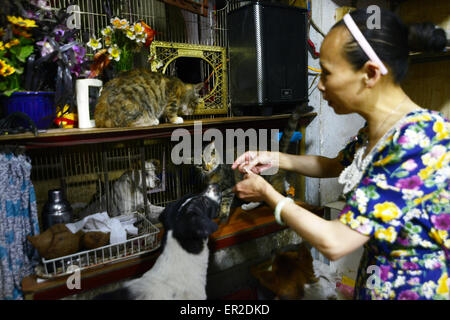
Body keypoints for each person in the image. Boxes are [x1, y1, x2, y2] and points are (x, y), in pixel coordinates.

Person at [231, 8, 449, 300]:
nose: (319, 85)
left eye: (328, 73)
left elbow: (335, 241)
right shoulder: (374, 131)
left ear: (370, 74)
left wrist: (269, 195)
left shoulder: (418, 139)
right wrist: (274, 158)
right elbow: (332, 165)